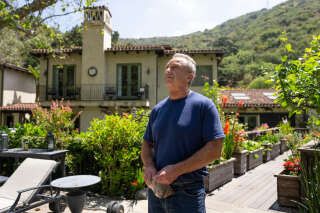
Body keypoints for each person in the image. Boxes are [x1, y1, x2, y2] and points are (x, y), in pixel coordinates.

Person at [141, 53, 225, 213]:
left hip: (188, 193)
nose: (168, 70)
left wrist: (177, 170)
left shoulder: (204, 106)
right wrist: (149, 165)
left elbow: (215, 149)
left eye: (175, 67)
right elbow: (147, 143)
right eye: (167, 67)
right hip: (156, 192)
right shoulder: (157, 110)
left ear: (189, 77)